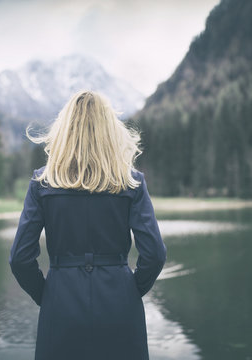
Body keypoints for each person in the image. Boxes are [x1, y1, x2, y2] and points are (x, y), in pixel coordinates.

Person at [9, 90, 166, 360]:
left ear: (65, 130)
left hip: (60, 306)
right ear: (110, 131)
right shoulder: (132, 182)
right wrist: (128, 291)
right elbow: (154, 256)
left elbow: (20, 259)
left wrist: (47, 296)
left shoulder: (42, 182)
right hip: (120, 305)